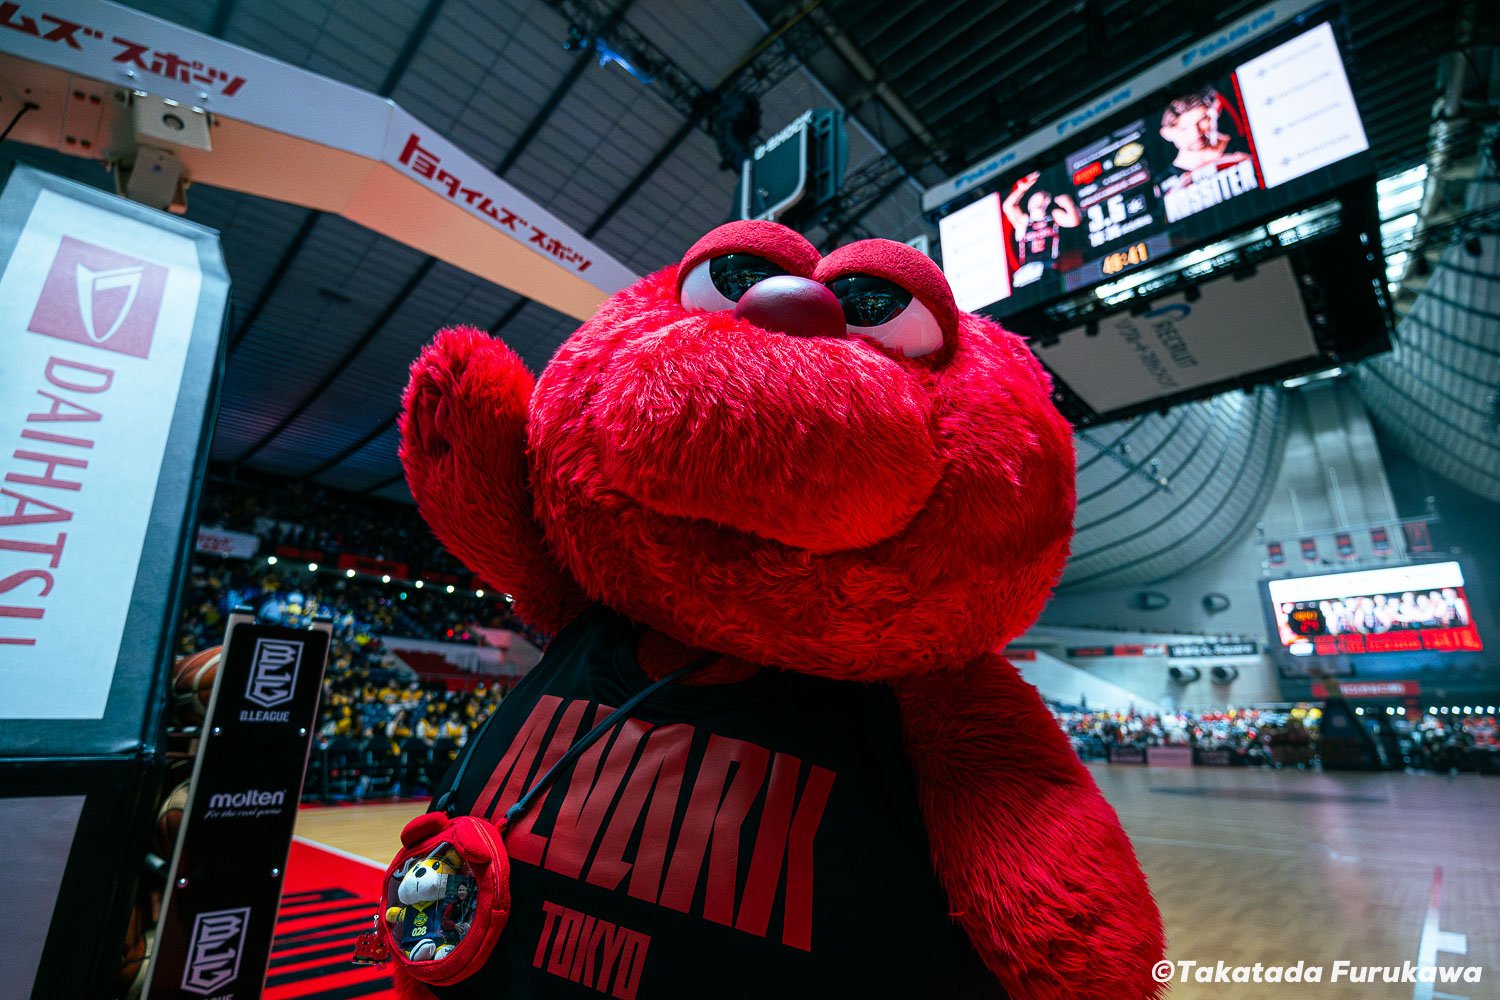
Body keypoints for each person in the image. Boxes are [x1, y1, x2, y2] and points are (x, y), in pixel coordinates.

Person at [1153, 86, 1256, 222]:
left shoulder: (1247, 145)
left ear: (1214, 113)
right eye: (1183, 128)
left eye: (1202, 120)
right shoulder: (1161, 184)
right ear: (1167, 133)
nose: (1196, 132)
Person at [1001, 171, 1080, 272]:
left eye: (1042, 202)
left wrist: (1069, 205)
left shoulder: (1053, 217)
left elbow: (1073, 221)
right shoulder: (1023, 221)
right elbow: (1007, 206)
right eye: (1035, 202)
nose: (1039, 204)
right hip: (1029, 270)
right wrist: (1021, 190)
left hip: (1050, 267)